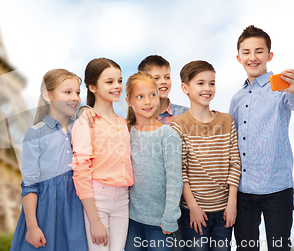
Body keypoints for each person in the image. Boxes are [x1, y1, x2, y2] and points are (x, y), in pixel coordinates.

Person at [230, 25, 294, 250]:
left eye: (259, 51)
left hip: (277, 187)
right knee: (246, 248)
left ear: (269, 55)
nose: (253, 57)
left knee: (279, 247)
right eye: (246, 52)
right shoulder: (236, 98)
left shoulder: (282, 86)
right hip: (244, 190)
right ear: (239, 58)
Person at [11, 69, 88, 251]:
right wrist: (32, 226)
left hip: (78, 210)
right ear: (48, 95)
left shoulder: (81, 128)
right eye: (67, 92)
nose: (75, 97)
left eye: (77, 92)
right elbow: (29, 184)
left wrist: (86, 109)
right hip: (46, 212)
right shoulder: (35, 133)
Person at [171, 60, 242, 251]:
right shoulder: (179, 125)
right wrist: (193, 207)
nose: (207, 88)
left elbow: (235, 163)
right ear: (185, 88)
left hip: (224, 211)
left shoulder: (227, 121)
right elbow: (180, 170)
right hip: (194, 213)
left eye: (212, 83)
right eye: (200, 83)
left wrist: (232, 203)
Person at [71, 58, 134, 251]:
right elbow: (80, 172)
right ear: (92, 87)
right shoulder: (85, 122)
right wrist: (94, 220)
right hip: (98, 198)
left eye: (119, 81)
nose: (117, 86)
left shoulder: (124, 123)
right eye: (109, 82)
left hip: (123, 199)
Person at [123, 71, 183, 251]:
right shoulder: (126, 131)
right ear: (129, 101)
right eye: (140, 96)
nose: (147, 101)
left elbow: (174, 180)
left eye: (152, 95)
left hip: (160, 222)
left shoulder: (168, 135)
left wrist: (169, 218)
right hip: (133, 219)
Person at [138, 55, 189, 124]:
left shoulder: (185, 114)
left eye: (167, 77)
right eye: (156, 78)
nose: (163, 81)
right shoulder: (136, 119)